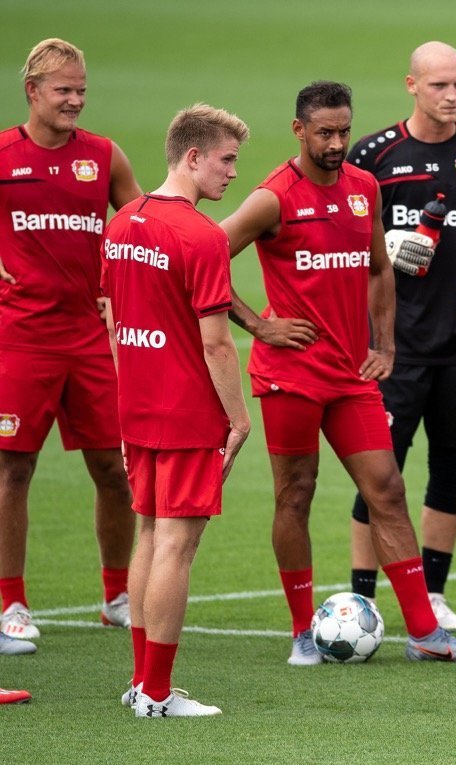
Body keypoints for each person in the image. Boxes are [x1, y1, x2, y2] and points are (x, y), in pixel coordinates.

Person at [220, 82, 456, 666]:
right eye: (325, 132)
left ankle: (426, 634)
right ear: (299, 130)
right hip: (290, 376)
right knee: (295, 495)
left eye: (344, 130)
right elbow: (206, 257)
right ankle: (302, 631)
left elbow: (379, 269)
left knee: (388, 490)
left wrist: (386, 344)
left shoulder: (363, 188)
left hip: (351, 376)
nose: (337, 143)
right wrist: (259, 325)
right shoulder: (274, 198)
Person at [345, 42, 456, 631]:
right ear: (412, 85)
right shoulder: (375, 154)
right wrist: (386, 249)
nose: (450, 96)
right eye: (438, 85)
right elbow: (335, 236)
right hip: (390, 347)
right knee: (379, 474)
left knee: (452, 469)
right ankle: (362, 598)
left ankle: (436, 593)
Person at [101, 103, 251, 717]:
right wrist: (238, 418)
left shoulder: (123, 223)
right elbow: (216, 342)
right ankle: (158, 694)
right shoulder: (202, 236)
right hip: (188, 412)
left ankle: (142, 683)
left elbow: (113, 320)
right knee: (177, 547)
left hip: (137, 407)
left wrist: (126, 390)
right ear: (193, 157)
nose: (233, 173)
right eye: (227, 160)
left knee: (148, 533)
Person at [0, 38, 142, 646]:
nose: (75, 101)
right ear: (33, 91)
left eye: (81, 90)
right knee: (13, 470)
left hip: (89, 339)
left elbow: (141, 227)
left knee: (115, 469)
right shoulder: (4, 155)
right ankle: (11, 605)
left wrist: (125, 284)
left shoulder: (104, 158)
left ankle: (116, 595)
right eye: (64, 90)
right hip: (21, 339)